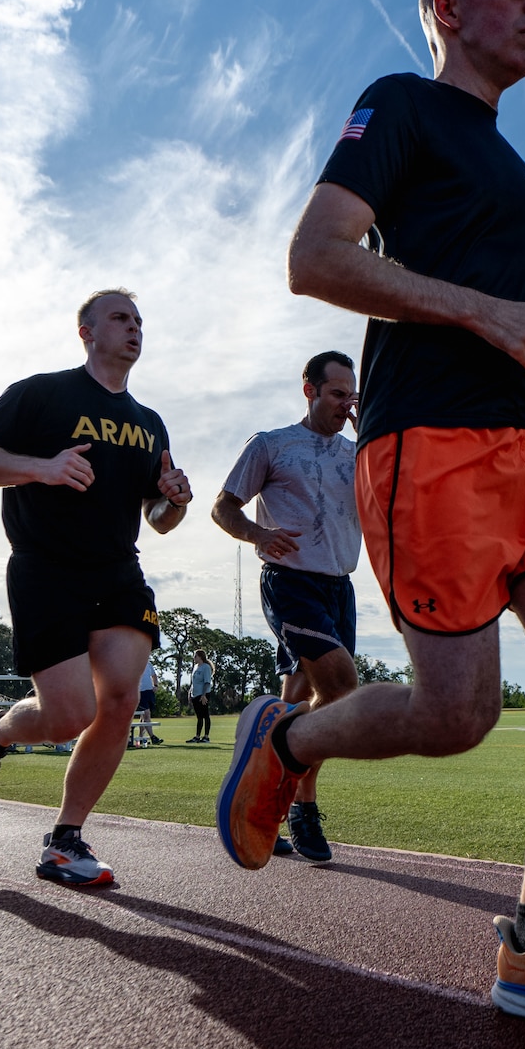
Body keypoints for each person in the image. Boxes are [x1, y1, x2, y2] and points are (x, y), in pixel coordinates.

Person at [216, 0, 525, 1042]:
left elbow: (486, 308)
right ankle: (286, 743)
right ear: (447, 5)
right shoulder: (400, 105)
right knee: (456, 713)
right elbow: (317, 257)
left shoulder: (510, 164)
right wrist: (482, 310)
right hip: (424, 441)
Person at [0, 289, 192, 888]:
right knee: (69, 715)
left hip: (118, 571)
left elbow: (158, 518)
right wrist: (43, 467)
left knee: (121, 703)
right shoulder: (42, 393)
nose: (134, 328)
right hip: (45, 567)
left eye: (138, 320)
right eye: (119, 318)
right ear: (85, 332)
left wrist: (174, 499)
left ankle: (65, 840)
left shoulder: (148, 423)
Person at [212, 350, 362, 863]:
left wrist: (374, 440)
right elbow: (223, 506)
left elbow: (397, 500)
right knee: (341, 687)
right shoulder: (272, 445)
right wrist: (259, 533)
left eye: (352, 395)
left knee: (299, 699)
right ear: (310, 390)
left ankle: (277, 803)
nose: (346, 403)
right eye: (337, 393)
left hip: (340, 586)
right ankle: (302, 804)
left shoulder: (358, 454)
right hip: (290, 580)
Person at [185, 648, 213, 743]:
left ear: (200, 657)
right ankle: (197, 736)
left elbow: (207, 682)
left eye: (195, 656)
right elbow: (193, 682)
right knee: (199, 716)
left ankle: (206, 736)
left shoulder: (206, 667)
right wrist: (190, 692)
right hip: (195, 695)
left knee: (205, 715)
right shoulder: (196, 667)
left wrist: (204, 695)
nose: (194, 658)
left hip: (203, 695)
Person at [133, 659, 162, 748]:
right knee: (146, 714)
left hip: (149, 692)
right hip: (140, 692)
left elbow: (154, 676)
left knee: (144, 717)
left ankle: (140, 738)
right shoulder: (133, 663)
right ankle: (152, 737)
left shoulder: (148, 664)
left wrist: (156, 685)